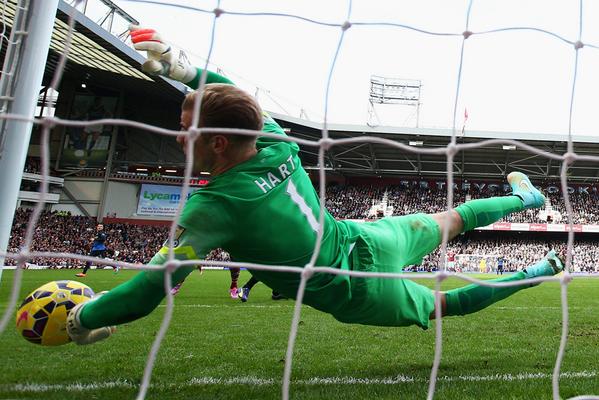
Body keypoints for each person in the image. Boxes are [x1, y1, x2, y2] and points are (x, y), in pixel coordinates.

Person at [65, 26, 564, 345]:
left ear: (216, 143)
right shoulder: (274, 142)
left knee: (445, 305)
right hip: (369, 239)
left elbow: (147, 291)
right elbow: (239, 99)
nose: (177, 136)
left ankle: (541, 269)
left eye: (185, 127)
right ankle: (526, 198)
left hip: (355, 289)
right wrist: (184, 69)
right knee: (454, 219)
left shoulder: (213, 208)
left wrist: (81, 320)